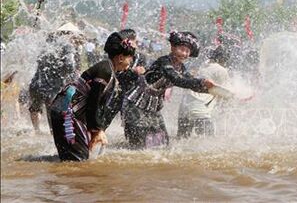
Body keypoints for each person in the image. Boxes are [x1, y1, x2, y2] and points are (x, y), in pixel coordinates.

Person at [48, 31, 140, 161]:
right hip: (67, 113)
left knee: (76, 157)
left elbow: (98, 106)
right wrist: (96, 130)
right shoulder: (105, 70)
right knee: (76, 160)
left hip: (68, 112)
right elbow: (93, 102)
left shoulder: (109, 70)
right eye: (130, 59)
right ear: (120, 57)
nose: (130, 63)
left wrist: (97, 130)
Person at [122, 31, 214, 148]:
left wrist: (209, 90)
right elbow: (176, 79)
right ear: (173, 47)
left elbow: (190, 82)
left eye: (187, 51)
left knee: (163, 143)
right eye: (181, 49)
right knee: (138, 145)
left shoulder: (181, 67)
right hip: (136, 104)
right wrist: (201, 82)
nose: (184, 53)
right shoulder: (164, 62)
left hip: (154, 107)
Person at [28, 30, 80, 133]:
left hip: (35, 85)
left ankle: (37, 131)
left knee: (35, 107)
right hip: (53, 87)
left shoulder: (44, 47)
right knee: (53, 111)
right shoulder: (66, 46)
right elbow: (70, 66)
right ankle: (53, 134)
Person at [177, 45, 230, 138]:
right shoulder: (221, 70)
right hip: (200, 112)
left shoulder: (203, 65)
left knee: (181, 141)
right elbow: (224, 93)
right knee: (208, 143)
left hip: (184, 110)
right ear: (224, 59)